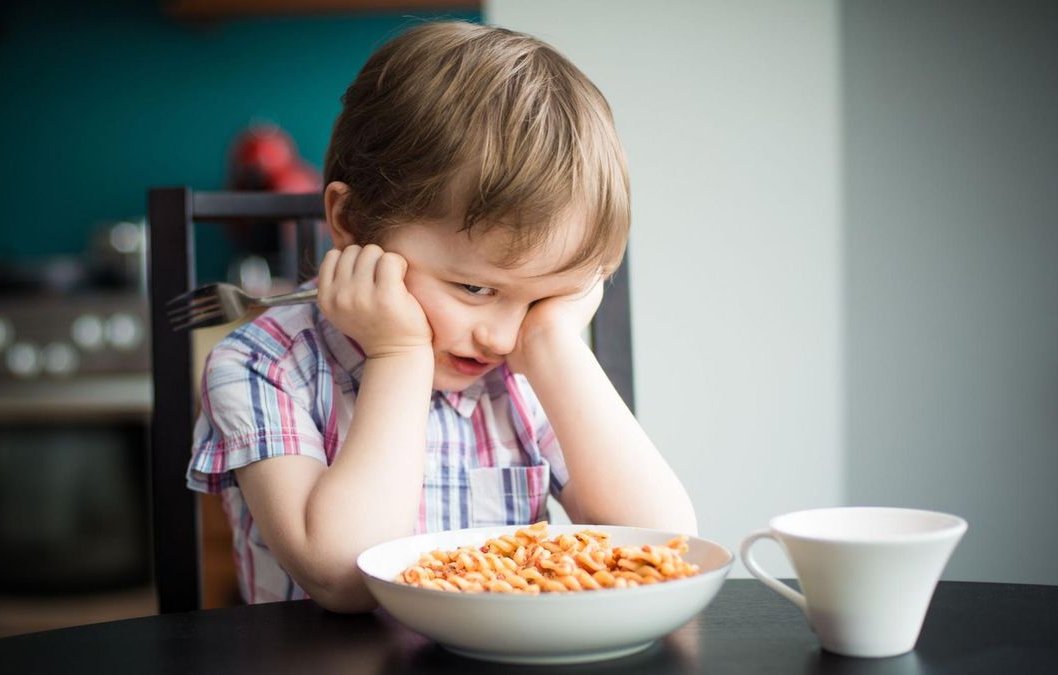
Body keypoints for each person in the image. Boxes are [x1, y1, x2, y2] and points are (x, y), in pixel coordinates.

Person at [187, 20, 697, 612]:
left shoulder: (529, 364)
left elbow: (663, 546)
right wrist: (397, 355)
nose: (504, 336)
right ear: (351, 225)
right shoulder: (263, 366)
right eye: (476, 287)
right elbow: (343, 578)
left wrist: (557, 342)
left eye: (539, 299)